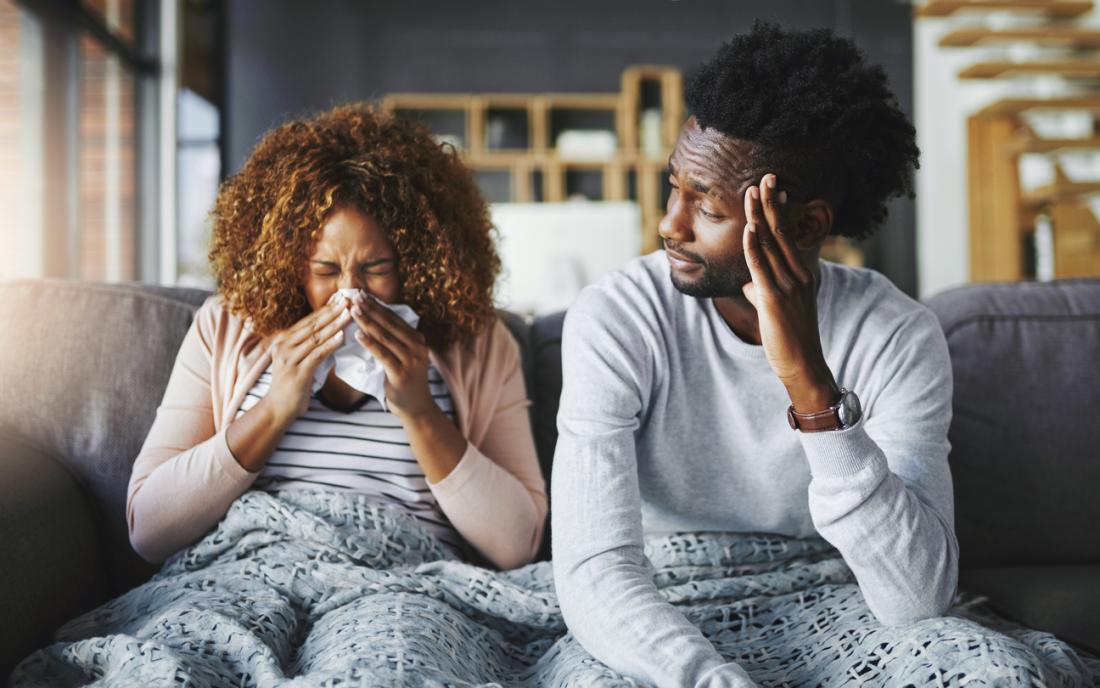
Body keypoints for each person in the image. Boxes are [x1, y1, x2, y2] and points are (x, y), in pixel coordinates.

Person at [552, 22, 957, 687]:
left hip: (835, 598)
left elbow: (917, 600)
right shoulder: (620, 316)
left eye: (705, 206)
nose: (668, 224)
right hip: (662, 610)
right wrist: (709, 679)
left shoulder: (897, 335)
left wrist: (812, 388)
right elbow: (595, 568)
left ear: (807, 224)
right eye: (673, 187)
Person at [127, 103, 546, 570]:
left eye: (377, 269)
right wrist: (275, 407)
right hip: (251, 568)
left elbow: (518, 545)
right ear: (288, 266)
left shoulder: (481, 345)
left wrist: (420, 410)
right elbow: (149, 527)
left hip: (403, 589)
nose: (350, 293)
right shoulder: (224, 327)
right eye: (325, 270)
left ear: (420, 264)